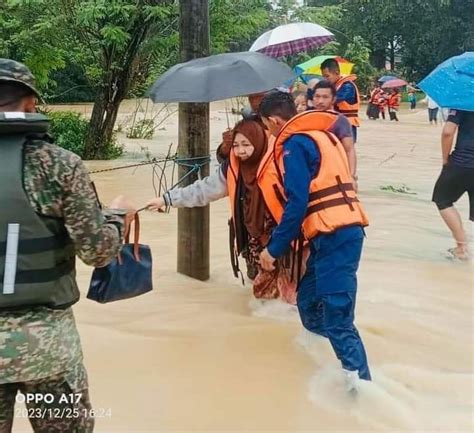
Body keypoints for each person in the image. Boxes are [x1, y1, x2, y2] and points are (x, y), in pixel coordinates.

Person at [0, 59, 132, 433]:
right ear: (30, 103)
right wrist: (119, 216)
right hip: (48, 349)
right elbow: (98, 252)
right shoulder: (61, 165)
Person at [257, 90, 371, 392]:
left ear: (273, 121)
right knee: (307, 302)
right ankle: (332, 361)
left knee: (338, 318)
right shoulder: (323, 137)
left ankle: (362, 390)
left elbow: (296, 203)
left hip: (338, 236)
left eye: (267, 127)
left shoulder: (294, 144)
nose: (269, 133)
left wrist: (273, 250)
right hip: (333, 235)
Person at [147, 120, 300, 304]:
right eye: (236, 146)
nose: (240, 151)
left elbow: (298, 204)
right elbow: (203, 190)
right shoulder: (232, 168)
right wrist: (167, 199)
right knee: (264, 300)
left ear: (258, 142)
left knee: (293, 300)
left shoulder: (281, 163)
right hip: (253, 248)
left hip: (286, 246)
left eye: (246, 145)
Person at [432, 109, 474, 261]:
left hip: (463, 162)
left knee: (442, 199)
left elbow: (448, 132)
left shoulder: (463, 101)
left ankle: (462, 247)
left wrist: (445, 159)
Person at [311, 80, 358, 188]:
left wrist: (351, 176)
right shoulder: (305, 119)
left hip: (334, 171)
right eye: (317, 97)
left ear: (333, 100)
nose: (320, 101)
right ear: (312, 98)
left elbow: (349, 150)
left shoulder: (340, 121)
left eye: (325, 97)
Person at [321, 58, 361, 143]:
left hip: (347, 124)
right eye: (323, 77)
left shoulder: (347, 86)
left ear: (337, 73)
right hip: (336, 123)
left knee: (347, 152)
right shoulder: (335, 86)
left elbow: (333, 99)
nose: (325, 79)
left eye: (327, 76)